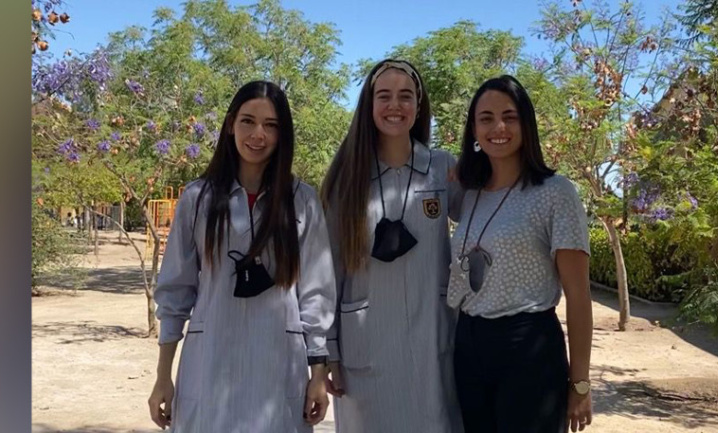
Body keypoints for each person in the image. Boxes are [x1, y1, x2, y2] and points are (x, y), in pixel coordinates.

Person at [148, 80, 336, 432]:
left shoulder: (303, 200)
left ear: (283, 134)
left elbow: (316, 294)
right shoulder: (197, 198)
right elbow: (175, 292)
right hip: (211, 363)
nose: (258, 134)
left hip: (280, 366)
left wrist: (318, 373)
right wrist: (163, 377)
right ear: (231, 123)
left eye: (271, 125)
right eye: (248, 121)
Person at [320, 59, 464, 433]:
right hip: (366, 349)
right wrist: (329, 352)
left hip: (431, 342)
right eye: (384, 96)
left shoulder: (443, 169)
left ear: (419, 106)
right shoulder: (347, 179)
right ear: (369, 106)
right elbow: (328, 273)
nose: (394, 106)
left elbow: (485, 220)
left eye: (405, 96)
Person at [448, 75, 594, 433]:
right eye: (486, 118)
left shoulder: (555, 193)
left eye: (509, 117)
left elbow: (578, 295)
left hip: (528, 347)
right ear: (473, 130)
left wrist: (580, 384)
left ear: (526, 124)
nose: (498, 127)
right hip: (468, 344)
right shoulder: (470, 193)